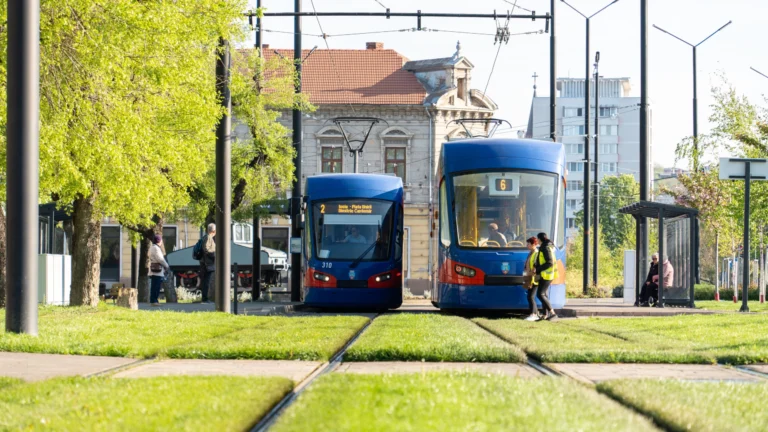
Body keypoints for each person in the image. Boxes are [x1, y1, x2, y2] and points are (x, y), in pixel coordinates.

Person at [526, 232, 558, 321]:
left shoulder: (545, 248)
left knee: (541, 294)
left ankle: (552, 313)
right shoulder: (546, 246)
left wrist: (538, 269)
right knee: (543, 294)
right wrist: (536, 266)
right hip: (545, 274)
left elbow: (549, 262)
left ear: (539, 239)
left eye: (538, 239)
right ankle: (545, 314)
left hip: (547, 274)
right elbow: (541, 260)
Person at [148, 235, 171, 307]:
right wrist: (166, 265)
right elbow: (160, 259)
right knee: (156, 286)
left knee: (154, 286)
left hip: (153, 269)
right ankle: (154, 301)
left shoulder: (152, 247)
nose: (162, 242)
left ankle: (153, 300)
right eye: (161, 240)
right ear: (159, 241)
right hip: (157, 270)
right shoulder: (156, 248)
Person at [198, 223, 216, 304]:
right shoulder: (208, 238)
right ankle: (205, 299)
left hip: (205, 263)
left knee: (205, 281)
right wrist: (213, 254)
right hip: (207, 263)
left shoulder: (205, 237)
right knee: (206, 281)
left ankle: (205, 298)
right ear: (213, 231)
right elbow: (206, 249)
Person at [522, 237, 539, 320]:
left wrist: (531, 278)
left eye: (528, 244)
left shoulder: (536, 253)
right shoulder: (531, 253)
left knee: (531, 296)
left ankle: (533, 314)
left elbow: (535, 267)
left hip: (533, 278)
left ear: (533, 244)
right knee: (530, 296)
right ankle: (534, 313)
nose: (527, 245)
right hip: (529, 277)